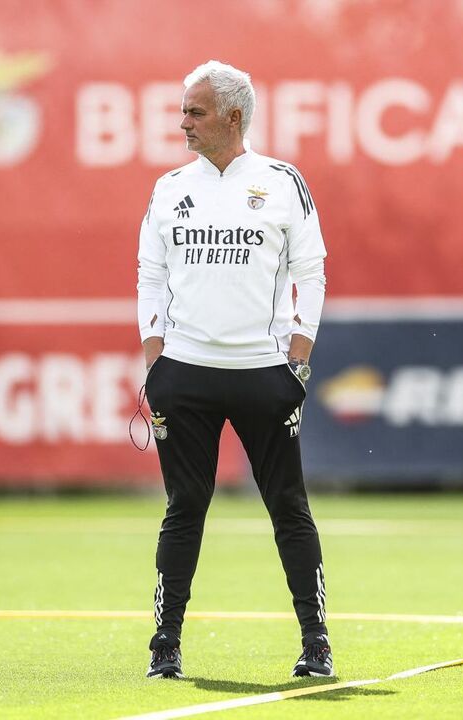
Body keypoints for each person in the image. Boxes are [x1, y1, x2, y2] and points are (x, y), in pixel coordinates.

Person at [136, 60, 331, 680]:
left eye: (194, 111)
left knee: (287, 505)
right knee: (184, 504)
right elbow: (150, 274)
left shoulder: (281, 180)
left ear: (233, 116)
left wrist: (298, 357)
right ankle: (165, 647)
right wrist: (154, 357)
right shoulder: (169, 188)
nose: (183, 123)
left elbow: (312, 271)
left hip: (261, 370)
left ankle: (316, 642)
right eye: (183, 111)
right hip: (185, 373)